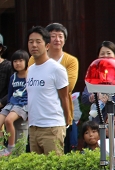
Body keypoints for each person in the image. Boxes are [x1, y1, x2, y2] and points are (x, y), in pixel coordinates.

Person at [28, 23, 79, 153]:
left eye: (38, 42)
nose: (34, 45)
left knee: (54, 168)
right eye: (30, 42)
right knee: (36, 169)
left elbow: (64, 96)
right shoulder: (31, 68)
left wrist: (67, 121)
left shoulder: (57, 68)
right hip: (33, 127)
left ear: (46, 45)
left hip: (52, 126)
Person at [82, 41, 115, 122]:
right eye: (102, 53)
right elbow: (84, 98)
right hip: (98, 119)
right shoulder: (94, 74)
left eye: (108, 53)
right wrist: (93, 97)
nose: (105, 56)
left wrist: (103, 96)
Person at [0, 50, 29, 155]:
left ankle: (10, 148)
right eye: (15, 61)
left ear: (26, 61)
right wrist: (7, 106)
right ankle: (0, 147)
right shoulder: (13, 77)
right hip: (11, 104)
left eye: (21, 60)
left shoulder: (30, 76)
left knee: (8, 120)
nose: (17, 63)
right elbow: (10, 93)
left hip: (22, 105)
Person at [0, 34, 11, 110]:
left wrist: (1, 102)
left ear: (0, 48)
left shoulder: (8, 66)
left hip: (4, 109)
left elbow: (14, 89)